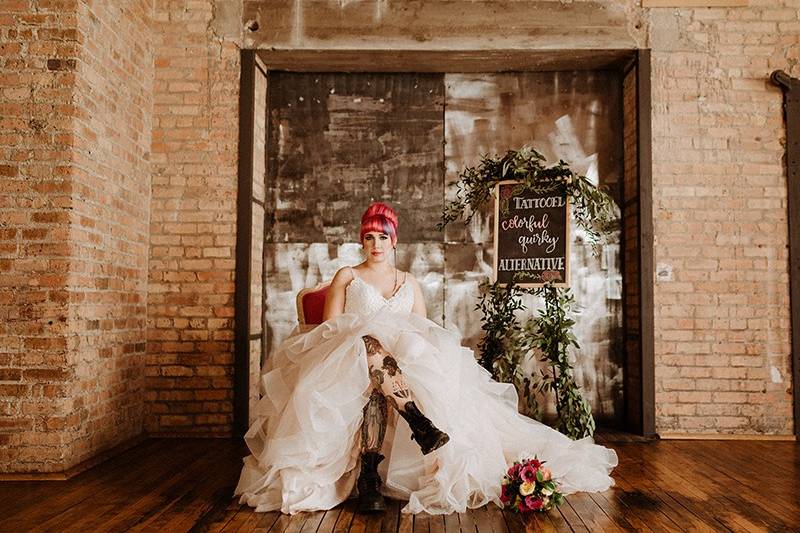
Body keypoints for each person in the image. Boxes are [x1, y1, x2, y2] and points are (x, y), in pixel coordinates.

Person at [235, 202, 617, 515]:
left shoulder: (409, 282)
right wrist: (366, 333)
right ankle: (416, 427)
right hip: (348, 355)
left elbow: (422, 328)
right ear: (361, 241)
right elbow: (329, 328)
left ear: (393, 240)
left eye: (382, 237)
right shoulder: (347, 276)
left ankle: (375, 471)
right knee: (368, 350)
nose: (375, 244)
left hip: (398, 361)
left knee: (390, 373)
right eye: (368, 237)